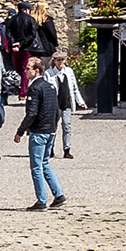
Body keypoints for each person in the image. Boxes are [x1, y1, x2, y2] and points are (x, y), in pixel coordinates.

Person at [22, 48, 79, 211]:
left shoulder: (35, 88)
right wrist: (53, 128)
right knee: (45, 163)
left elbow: (32, 113)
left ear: (37, 71)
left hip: (39, 132)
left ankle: (41, 200)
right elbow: (55, 110)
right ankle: (59, 195)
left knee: (36, 167)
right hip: (50, 131)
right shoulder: (49, 86)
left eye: (28, 68)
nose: (25, 71)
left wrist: (21, 130)